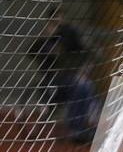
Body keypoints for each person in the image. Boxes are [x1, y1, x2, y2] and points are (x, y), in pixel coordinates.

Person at [27, 7, 96, 143]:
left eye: (60, 22)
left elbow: (86, 51)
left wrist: (84, 69)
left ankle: (80, 126)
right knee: (81, 86)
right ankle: (76, 129)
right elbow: (31, 53)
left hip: (71, 77)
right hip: (51, 81)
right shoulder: (45, 38)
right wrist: (45, 38)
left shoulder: (69, 34)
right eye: (55, 22)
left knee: (86, 86)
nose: (58, 25)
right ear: (50, 22)